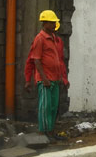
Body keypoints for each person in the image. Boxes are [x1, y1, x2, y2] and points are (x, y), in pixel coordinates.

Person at [24, 10, 68, 139]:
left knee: (53, 106)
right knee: (45, 107)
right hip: (45, 79)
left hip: (54, 78)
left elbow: (57, 60)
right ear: (45, 23)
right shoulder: (40, 39)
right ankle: (44, 132)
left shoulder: (54, 39)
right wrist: (44, 78)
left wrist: (61, 77)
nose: (55, 25)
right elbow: (36, 60)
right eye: (53, 22)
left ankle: (51, 131)